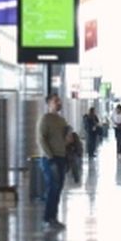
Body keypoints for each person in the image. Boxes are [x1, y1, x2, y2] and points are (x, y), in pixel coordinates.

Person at [36, 94, 71, 230]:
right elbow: (41, 139)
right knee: (53, 188)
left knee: (58, 188)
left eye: (59, 100)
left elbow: (64, 138)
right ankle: (47, 218)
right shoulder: (45, 119)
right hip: (50, 159)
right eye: (56, 101)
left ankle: (53, 217)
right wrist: (50, 158)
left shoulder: (61, 120)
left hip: (61, 157)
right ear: (49, 103)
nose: (59, 103)